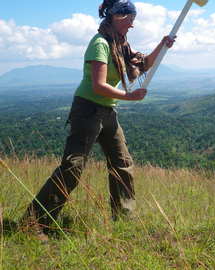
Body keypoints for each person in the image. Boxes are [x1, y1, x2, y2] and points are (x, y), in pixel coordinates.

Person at [20, 0, 176, 240]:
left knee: (122, 163)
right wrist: (129, 96)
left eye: (133, 20)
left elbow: (142, 65)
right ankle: (36, 222)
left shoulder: (120, 45)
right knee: (73, 166)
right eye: (129, 19)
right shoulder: (100, 43)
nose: (132, 25)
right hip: (87, 110)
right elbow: (98, 85)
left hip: (108, 111)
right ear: (115, 16)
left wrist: (162, 45)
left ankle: (124, 217)